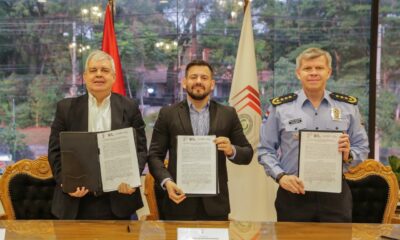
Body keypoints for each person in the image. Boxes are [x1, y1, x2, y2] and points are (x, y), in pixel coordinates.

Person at [258, 47, 369, 222]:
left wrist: (349, 155)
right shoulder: (280, 108)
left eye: (319, 68)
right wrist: (281, 176)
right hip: (293, 193)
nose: (313, 73)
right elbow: (265, 150)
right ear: (298, 73)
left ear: (329, 72)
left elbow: (362, 147)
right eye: (307, 68)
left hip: (335, 196)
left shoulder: (348, 107)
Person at [148, 59, 253, 220]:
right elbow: (154, 156)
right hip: (178, 202)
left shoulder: (228, 114)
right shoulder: (168, 114)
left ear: (212, 84)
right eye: (193, 77)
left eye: (204, 78)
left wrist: (232, 150)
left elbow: (247, 154)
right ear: (184, 82)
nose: (198, 81)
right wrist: (167, 182)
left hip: (216, 205)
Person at [48, 50, 147, 220]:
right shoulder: (66, 108)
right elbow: (55, 151)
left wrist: (131, 178)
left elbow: (140, 149)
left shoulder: (129, 107)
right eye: (93, 71)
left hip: (119, 201)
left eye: (105, 70)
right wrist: (66, 182)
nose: (99, 75)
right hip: (74, 202)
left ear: (114, 77)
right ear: (85, 77)